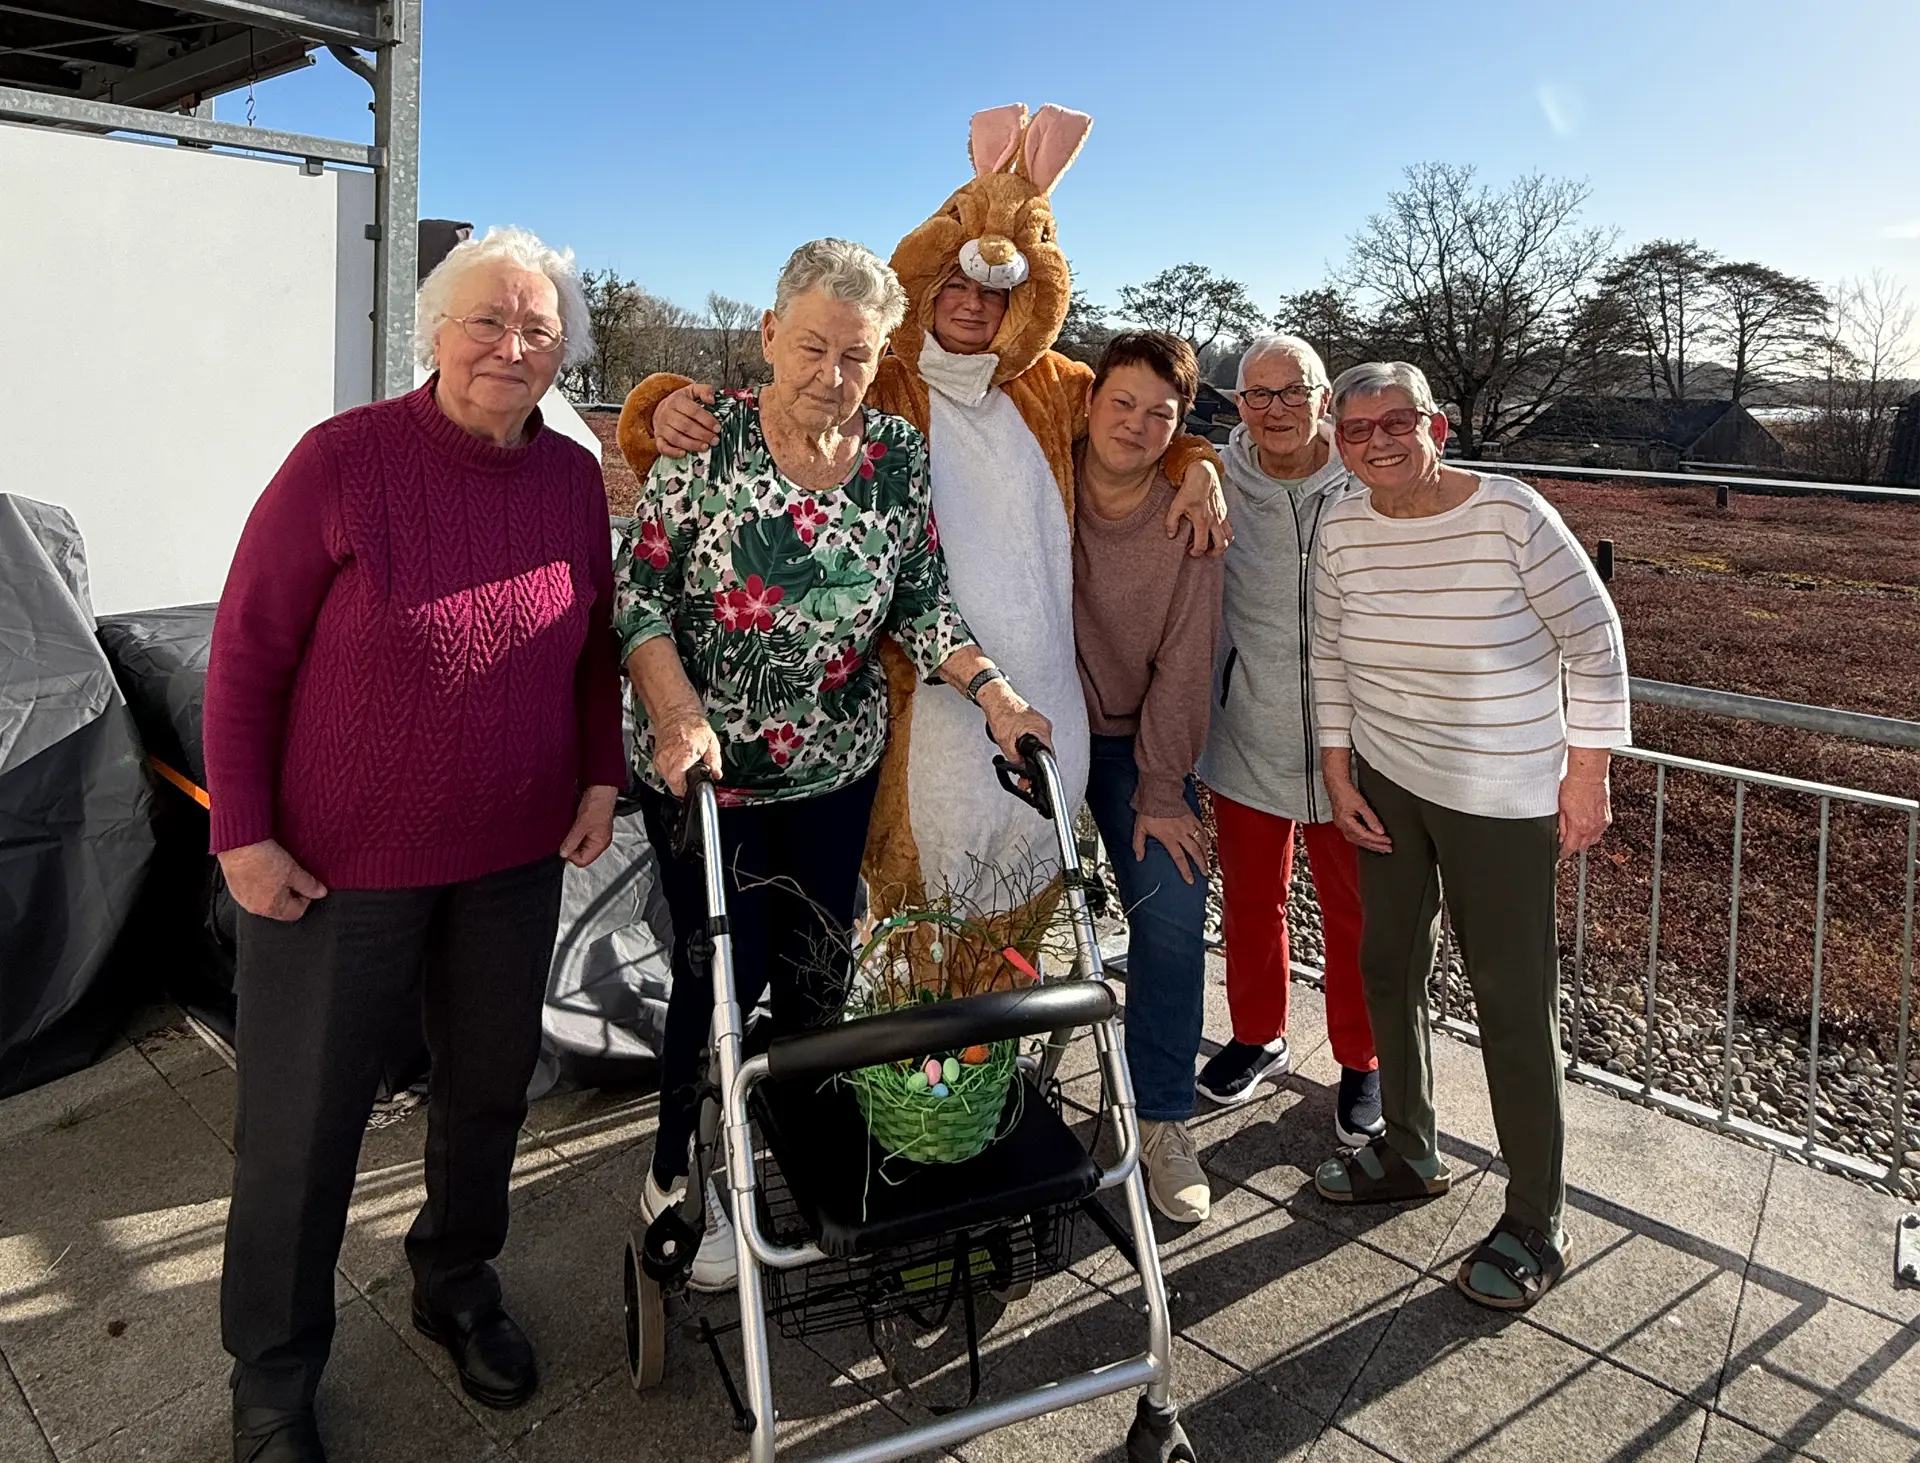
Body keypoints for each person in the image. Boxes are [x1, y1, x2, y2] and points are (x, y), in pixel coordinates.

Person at [204, 226, 626, 1463]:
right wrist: (242, 832)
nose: (511, 346)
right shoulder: (342, 460)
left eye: (538, 328)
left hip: (511, 854)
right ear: (434, 330)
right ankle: (274, 1371)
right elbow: (247, 649)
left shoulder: (569, 479)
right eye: (487, 320)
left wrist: (600, 770)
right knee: (303, 1122)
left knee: (487, 1089)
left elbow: (594, 642)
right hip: (337, 868)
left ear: (562, 352)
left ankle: (455, 1277)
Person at [620, 104, 1226, 935]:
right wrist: (655, 409)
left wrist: (1198, 463)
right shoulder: (883, 385)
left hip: (1006, 718)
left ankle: (993, 1022)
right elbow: (754, 418)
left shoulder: (1042, 389)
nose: (973, 306)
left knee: (992, 918)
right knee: (852, 938)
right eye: (956, 287)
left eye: (994, 294)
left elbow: (1139, 415)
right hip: (868, 731)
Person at [616, 238, 1053, 1293]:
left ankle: (797, 1143)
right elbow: (638, 601)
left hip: (833, 767)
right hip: (703, 771)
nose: (830, 373)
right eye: (811, 346)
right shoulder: (706, 438)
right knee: (716, 974)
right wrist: (676, 712)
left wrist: (997, 695)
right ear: (770, 334)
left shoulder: (895, 455)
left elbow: (923, 603)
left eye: (855, 355)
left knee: (817, 970)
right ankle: (675, 1166)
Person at [1307, 361, 1630, 1313]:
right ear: (1338, 443)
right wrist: (1337, 771)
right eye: (1356, 429)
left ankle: (1537, 1217)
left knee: (1513, 1002)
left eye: (1395, 422)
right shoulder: (1341, 526)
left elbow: (1596, 639)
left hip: (1500, 793)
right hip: (1388, 783)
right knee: (1386, 966)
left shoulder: (1511, 514)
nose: (1377, 442)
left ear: (1435, 426)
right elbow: (1329, 654)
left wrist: (1587, 774)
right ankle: (1411, 1147)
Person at [1194, 334, 1380, 1147]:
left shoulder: (1366, 477)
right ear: (1238, 404)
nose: (1276, 410)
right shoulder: (1214, 474)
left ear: (1324, 397)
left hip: (1356, 745)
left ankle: (1364, 1058)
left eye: (1294, 391)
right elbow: (1166, 453)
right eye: (1257, 394)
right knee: (1249, 901)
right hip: (1247, 731)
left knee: (1356, 913)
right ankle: (1256, 1034)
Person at [1071, 332, 1222, 1223]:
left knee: (1171, 911)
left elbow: (1186, 661)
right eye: (1121, 403)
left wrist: (1163, 787)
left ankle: (1162, 1114)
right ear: (1089, 401)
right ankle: (980, 1080)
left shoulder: (1188, 518)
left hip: (1137, 744)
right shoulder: (1044, 471)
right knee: (993, 897)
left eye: (1160, 415)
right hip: (1031, 725)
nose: (1135, 424)